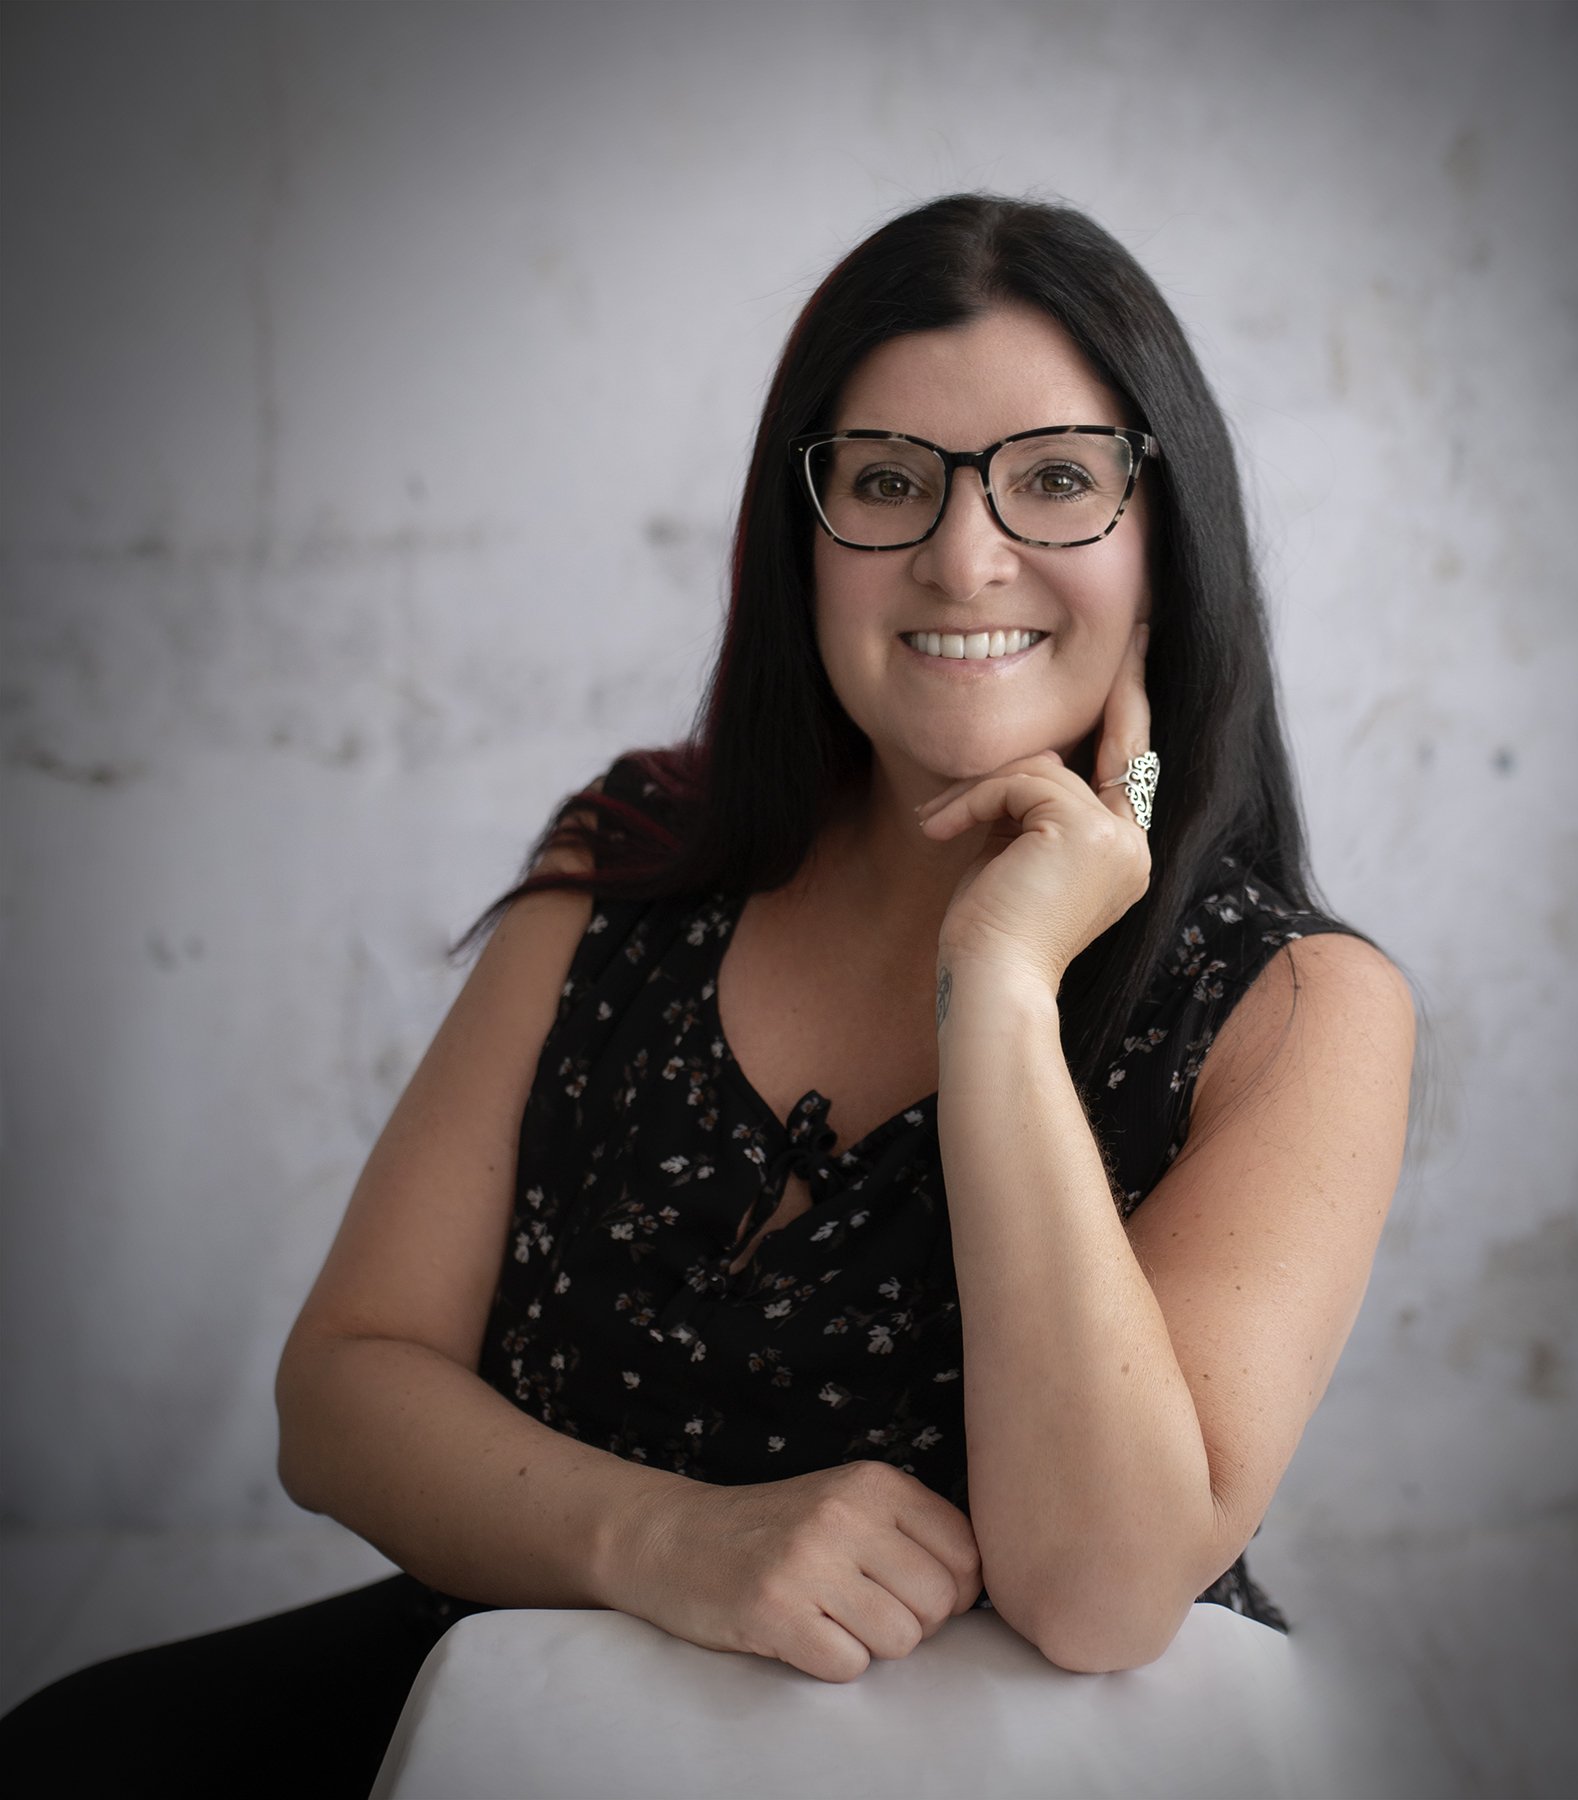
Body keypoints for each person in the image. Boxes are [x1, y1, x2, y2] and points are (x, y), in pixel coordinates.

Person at [0, 192, 1414, 1797]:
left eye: (1056, 481)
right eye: (885, 480)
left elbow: (1099, 1596)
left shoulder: (1300, 1006)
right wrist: (669, 1541)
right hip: (536, 1671)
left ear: (1163, 546)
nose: (963, 554)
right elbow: (340, 1393)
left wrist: (1003, 988)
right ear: (799, 538)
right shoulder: (635, 855)